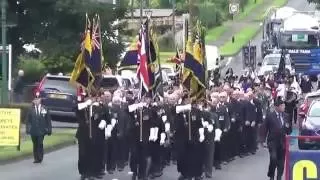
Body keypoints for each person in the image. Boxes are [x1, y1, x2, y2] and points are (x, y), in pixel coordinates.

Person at [262, 97, 292, 180]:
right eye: (282, 106)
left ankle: (279, 176)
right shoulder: (270, 116)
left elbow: (289, 129)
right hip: (272, 141)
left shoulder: (286, 116)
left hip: (283, 141)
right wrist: (263, 140)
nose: (284, 107)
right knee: (273, 158)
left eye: (284, 105)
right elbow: (264, 128)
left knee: (281, 162)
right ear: (277, 107)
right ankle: (271, 174)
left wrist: (288, 130)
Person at [26, 97, 52, 163]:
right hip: (33, 130)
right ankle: (36, 158)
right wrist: (28, 129)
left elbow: (48, 120)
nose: (36, 101)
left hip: (41, 130)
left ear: (40, 100)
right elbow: (28, 120)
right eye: (35, 100)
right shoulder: (30, 109)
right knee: (35, 144)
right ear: (33, 101)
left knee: (40, 143)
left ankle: (40, 157)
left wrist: (49, 129)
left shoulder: (45, 108)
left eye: (38, 99)